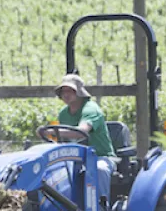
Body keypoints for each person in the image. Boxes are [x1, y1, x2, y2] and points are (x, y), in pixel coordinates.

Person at [45, 73, 116, 204]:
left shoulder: (91, 109)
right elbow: (63, 141)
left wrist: (54, 132)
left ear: (79, 92)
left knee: (99, 169)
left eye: (70, 91)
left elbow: (81, 132)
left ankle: (100, 209)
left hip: (99, 157)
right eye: (63, 91)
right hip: (73, 159)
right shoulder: (63, 113)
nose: (66, 94)